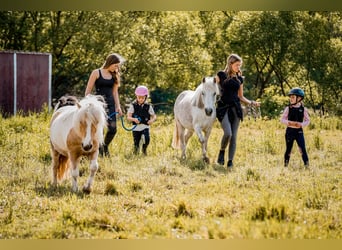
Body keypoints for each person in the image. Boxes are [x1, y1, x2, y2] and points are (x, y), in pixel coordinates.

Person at [215, 53, 261, 169]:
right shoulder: (221, 75)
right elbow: (211, 86)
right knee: (228, 133)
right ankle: (221, 151)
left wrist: (251, 102)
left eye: (239, 65)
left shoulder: (240, 79)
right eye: (237, 65)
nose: (238, 67)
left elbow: (241, 97)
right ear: (230, 64)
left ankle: (230, 161)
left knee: (234, 136)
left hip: (236, 109)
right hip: (223, 108)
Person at [85, 53, 124, 157]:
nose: (117, 68)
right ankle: (97, 151)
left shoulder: (115, 75)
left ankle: (104, 146)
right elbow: (88, 91)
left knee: (113, 129)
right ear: (110, 63)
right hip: (98, 106)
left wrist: (118, 106)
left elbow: (115, 92)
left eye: (118, 66)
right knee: (99, 130)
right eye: (116, 65)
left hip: (110, 105)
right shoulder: (96, 73)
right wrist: (89, 103)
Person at [280, 87, 310, 168]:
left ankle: (307, 166)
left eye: (293, 97)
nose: (291, 99)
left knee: (302, 149)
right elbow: (282, 119)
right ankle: (285, 166)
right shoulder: (288, 108)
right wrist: (289, 122)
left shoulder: (303, 109)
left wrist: (301, 125)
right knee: (288, 149)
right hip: (289, 132)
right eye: (290, 97)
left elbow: (308, 120)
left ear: (299, 98)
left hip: (299, 132)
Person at [127, 85, 157, 155]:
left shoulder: (148, 106)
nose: (140, 99)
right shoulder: (133, 106)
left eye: (142, 98)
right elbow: (128, 117)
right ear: (136, 96)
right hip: (136, 128)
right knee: (136, 143)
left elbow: (154, 116)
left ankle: (144, 149)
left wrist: (152, 120)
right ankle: (136, 153)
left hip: (145, 126)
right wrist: (134, 119)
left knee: (147, 139)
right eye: (139, 97)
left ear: (145, 97)